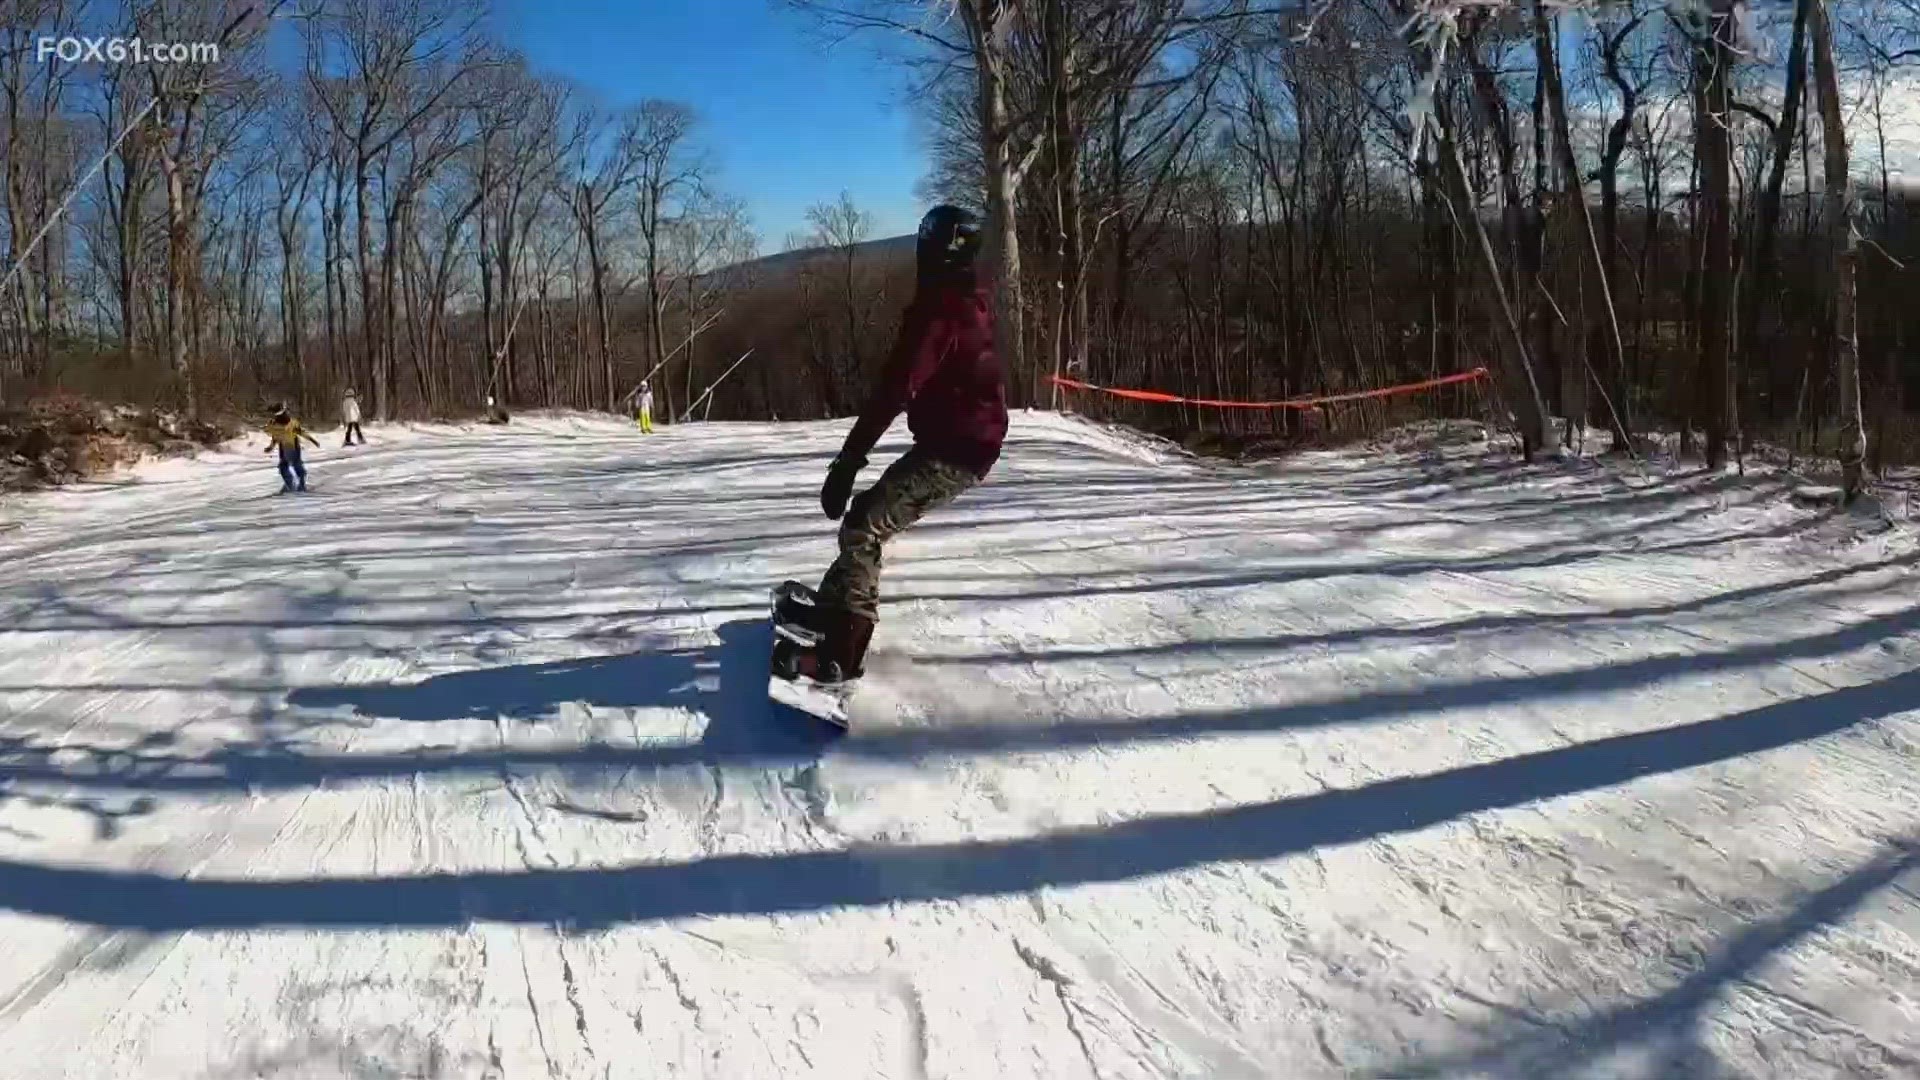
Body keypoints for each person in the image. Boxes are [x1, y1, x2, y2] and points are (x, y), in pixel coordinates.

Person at [795, 204, 1007, 684]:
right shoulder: (964, 298)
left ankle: (843, 652)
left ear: (936, 251)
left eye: (926, 244)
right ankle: (834, 609)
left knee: (864, 527)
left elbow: (896, 388)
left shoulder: (941, 311)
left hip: (959, 448)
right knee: (866, 516)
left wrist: (849, 459)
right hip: (960, 439)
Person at [264, 404, 321, 493]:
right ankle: (290, 484)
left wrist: (312, 440)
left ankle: (299, 484)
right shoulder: (275, 424)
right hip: (284, 447)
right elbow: (275, 437)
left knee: (294, 465)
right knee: (285, 466)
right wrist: (270, 447)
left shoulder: (287, 423)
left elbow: (301, 432)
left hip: (293, 446)